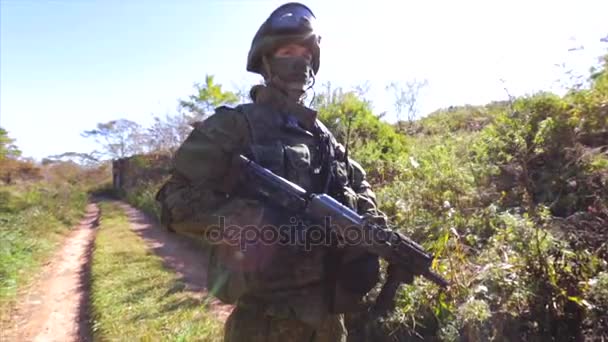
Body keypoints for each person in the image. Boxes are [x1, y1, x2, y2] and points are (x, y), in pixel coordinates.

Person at [156, 3, 394, 341]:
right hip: (264, 323)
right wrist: (254, 223)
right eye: (287, 51)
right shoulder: (234, 126)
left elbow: (359, 187)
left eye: (305, 53)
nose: (299, 61)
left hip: (328, 323)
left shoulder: (324, 138)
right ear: (266, 60)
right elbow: (173, 202)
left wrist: (369, 234)